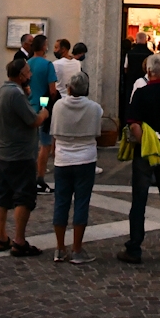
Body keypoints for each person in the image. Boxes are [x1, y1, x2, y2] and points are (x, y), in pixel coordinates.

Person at [117, 53, 160, 266]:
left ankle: (134, 246)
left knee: (139, 200)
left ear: (149, 71)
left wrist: (148, 147)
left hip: (144, 156)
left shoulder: (141, 94)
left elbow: (134, 124)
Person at [0, 56, 49, 257]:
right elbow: (32, 120)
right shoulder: (15, 95)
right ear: (21, 75)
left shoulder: (2, 91)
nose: (31, 75)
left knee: (3, 194)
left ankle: (1, 237)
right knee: (23, 196)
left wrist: (26, 94)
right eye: (28, 72)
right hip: (19, 154)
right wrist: (44, 113)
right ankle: (19, 240)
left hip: (2, 151)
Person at [50, 72, 103, 263]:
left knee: (61, 202)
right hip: (85, 158)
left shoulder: (58, 106)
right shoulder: (94, 108)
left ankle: (59, 247)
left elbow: (54, 132)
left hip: (63, 159)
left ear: (69, 89)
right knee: (81, 202)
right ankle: (77, 249)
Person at [28, 34, 57, 194]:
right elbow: (52, 90)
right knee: (44, 145)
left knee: (30, 143)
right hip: (41, 106)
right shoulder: (47, 65)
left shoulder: (27, 63)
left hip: (28, 104)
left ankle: (28, 177)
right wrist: (47, 105)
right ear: (44, 46)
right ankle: (39, 177)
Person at [124, 33, 152, 105]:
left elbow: (125, 68)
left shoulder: (130, 53)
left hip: (131, 80)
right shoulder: (150, 54)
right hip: (146, 81)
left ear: (136, 40)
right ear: (146, 40)